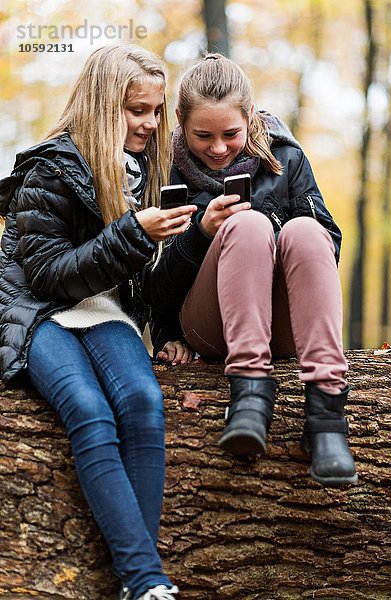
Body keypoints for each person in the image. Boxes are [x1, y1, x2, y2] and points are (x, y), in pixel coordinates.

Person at [0, 44, 197, 600]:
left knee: (142, 401)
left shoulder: (149, 171)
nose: (151, 124)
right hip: (37, 312)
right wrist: (135, 234)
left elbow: (149, 285)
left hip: (105, 313)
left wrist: (192, 236)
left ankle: (144, 586)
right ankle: (146, 580)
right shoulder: (51, 167)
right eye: (138, 110)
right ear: (103, 104)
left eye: (157, 111)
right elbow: (46, 275)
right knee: (87, 407)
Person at [142, 53, 358, 488]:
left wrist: (275, 239)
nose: (218, 148)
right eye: (203, 134)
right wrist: (202, 233)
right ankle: (249, 394)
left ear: (251, 118)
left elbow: (327, 245)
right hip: (210, 325)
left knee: (305, 230)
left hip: (280, 323)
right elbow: (151, 283)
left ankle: (326, 412)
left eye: (231, 134)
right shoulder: (158, 168)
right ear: (180, 120)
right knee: (247, 222)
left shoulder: (285, 157)